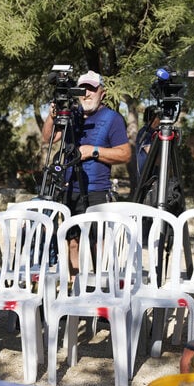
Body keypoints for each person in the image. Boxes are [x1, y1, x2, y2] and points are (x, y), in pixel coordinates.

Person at [41, 70, 131, 271]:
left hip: (97, 191)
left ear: (102, 93)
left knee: (97, 241)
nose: (87, 94)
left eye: (92, 89)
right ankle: (73, 287)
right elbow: (48, 139)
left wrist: (94, 152)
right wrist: (51, 116)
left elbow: (125, 154)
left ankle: (99, 288)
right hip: (69, 187)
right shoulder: (72, 115)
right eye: (83, 89)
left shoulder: (112, 118)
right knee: (72, 240)